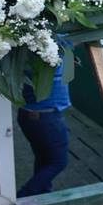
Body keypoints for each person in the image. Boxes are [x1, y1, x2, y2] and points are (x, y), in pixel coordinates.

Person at [16, 58, 71, 197]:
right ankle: (25, 195)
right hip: (46, 117)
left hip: (28, 114)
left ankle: (43, 193)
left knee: (43, 158)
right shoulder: (51, 50)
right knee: (58, 161)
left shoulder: (30, 51)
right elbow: (82, 37)